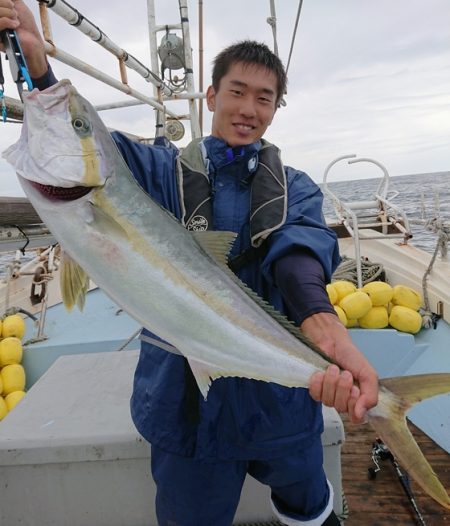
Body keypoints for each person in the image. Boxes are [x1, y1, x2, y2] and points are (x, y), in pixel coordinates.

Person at [1, 2, 379, 525]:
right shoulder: (158, 170)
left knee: (309, 505)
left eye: (264, 98)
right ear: (212, 95)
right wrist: (39, 70)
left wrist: (321, 322)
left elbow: (301, 253)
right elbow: (95, 145)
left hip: (280, 402)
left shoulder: (295, 188)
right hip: (185, 406)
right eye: (237, 92)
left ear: (275, 109)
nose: (248, 108)